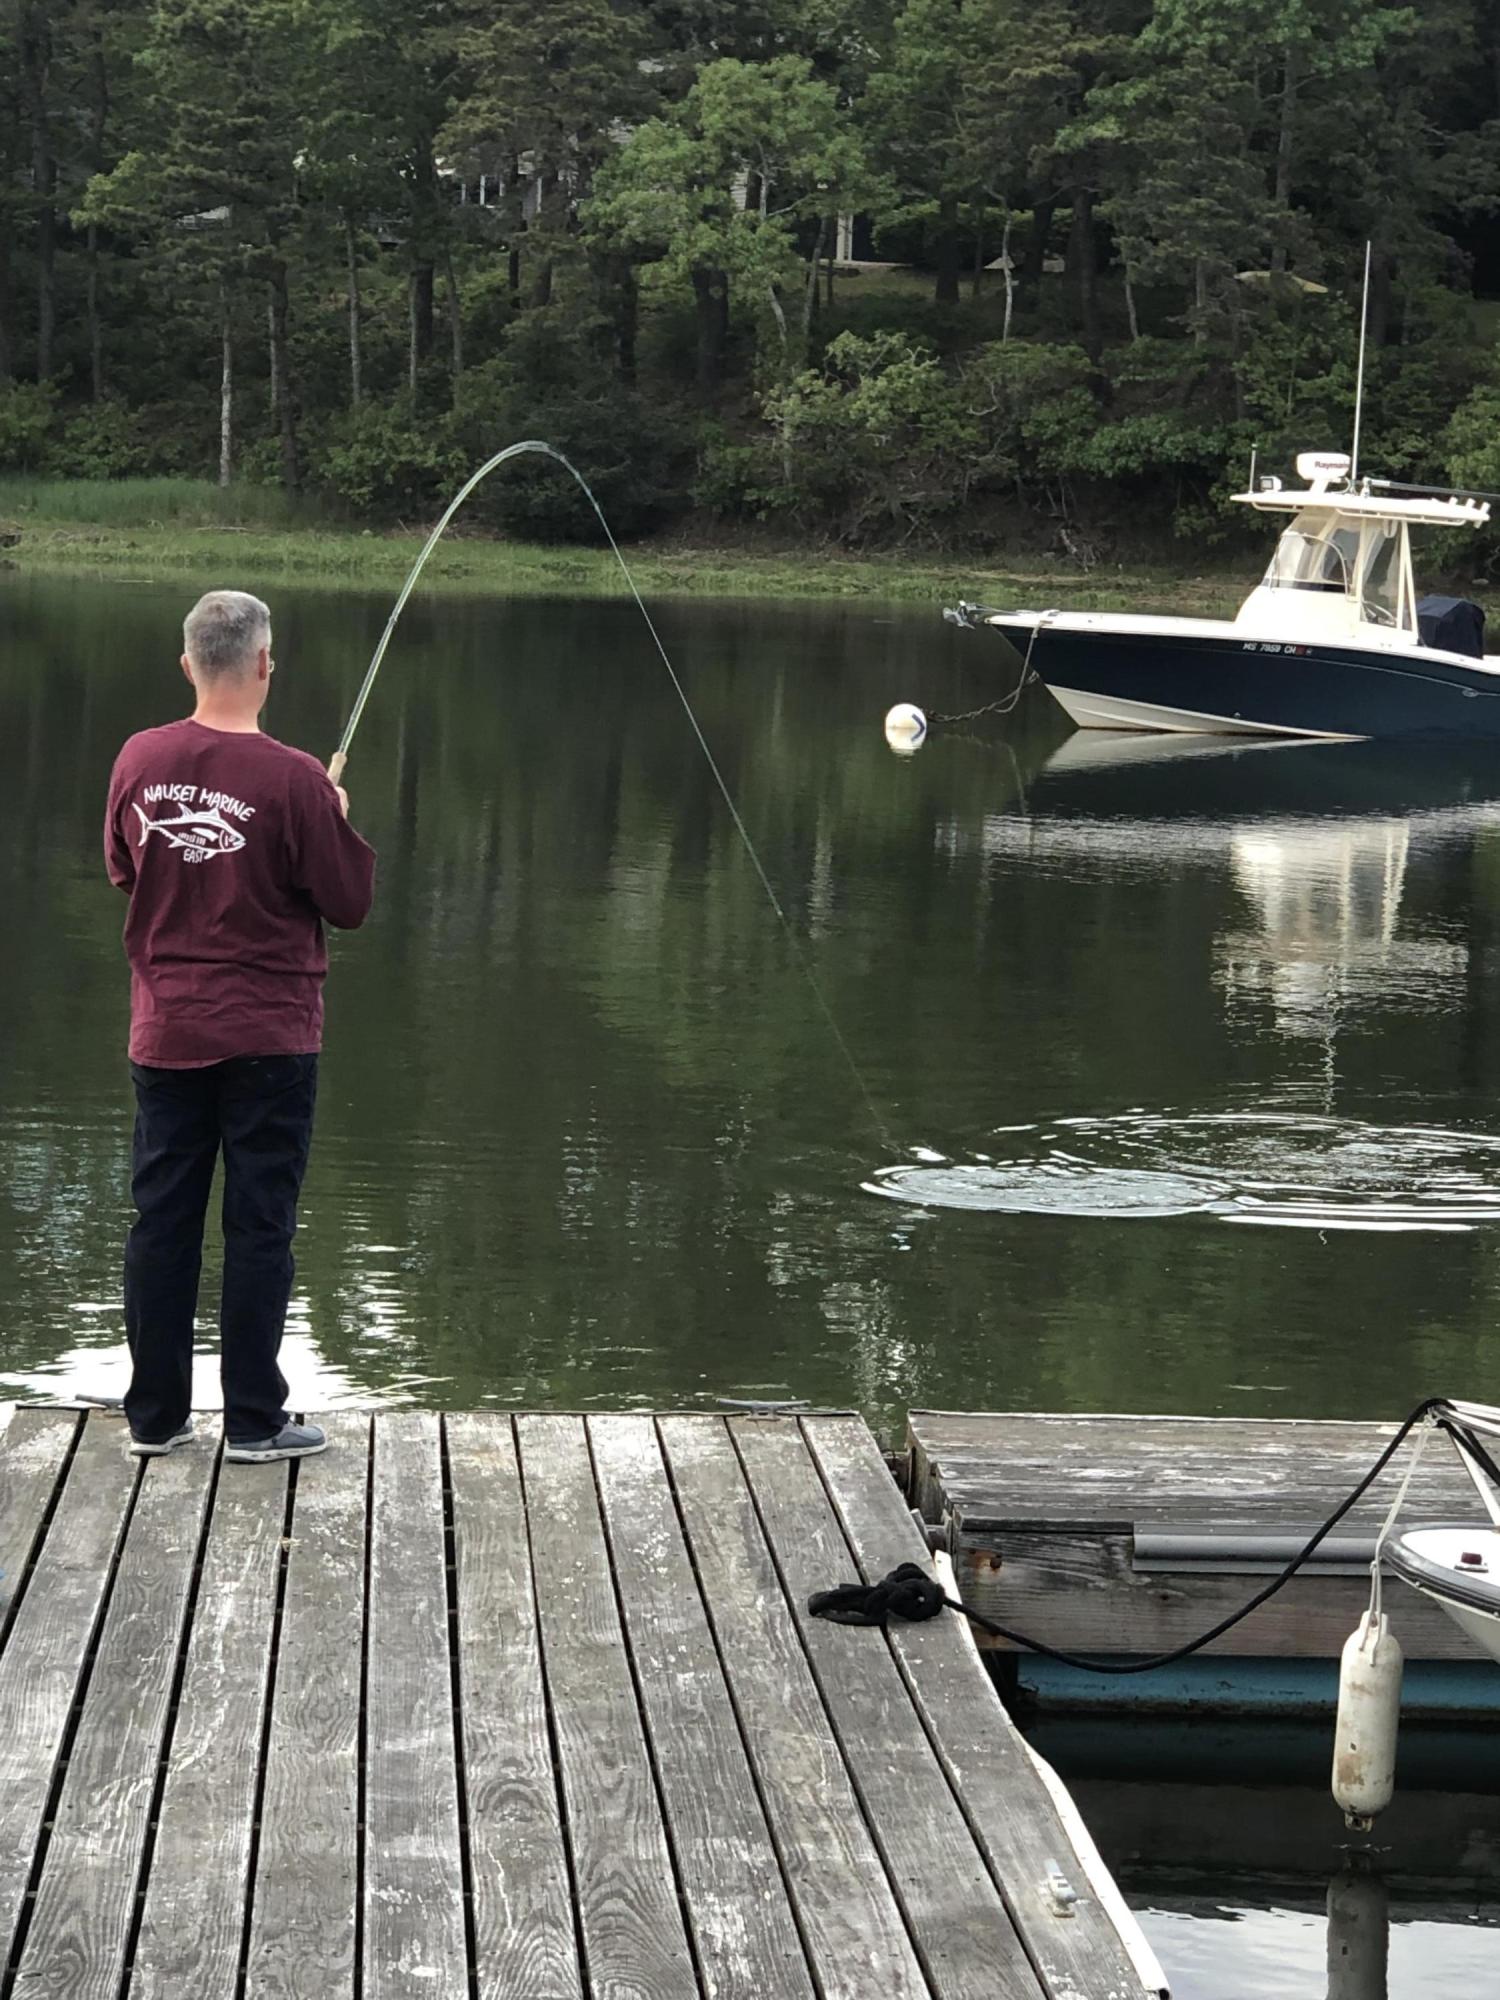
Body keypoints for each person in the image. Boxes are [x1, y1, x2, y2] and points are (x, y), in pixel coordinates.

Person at [104, 590, 375, 1462]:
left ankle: (154, 1419)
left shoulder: (139, 758)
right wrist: (332, 817)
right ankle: (254, 1423)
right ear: (265, 663)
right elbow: (349, 902)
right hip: (271, 1039)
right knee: (260, 1227)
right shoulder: (297, 780)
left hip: (166, 1032)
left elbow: (125, 870)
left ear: (188, 663)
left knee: (162, 1221)